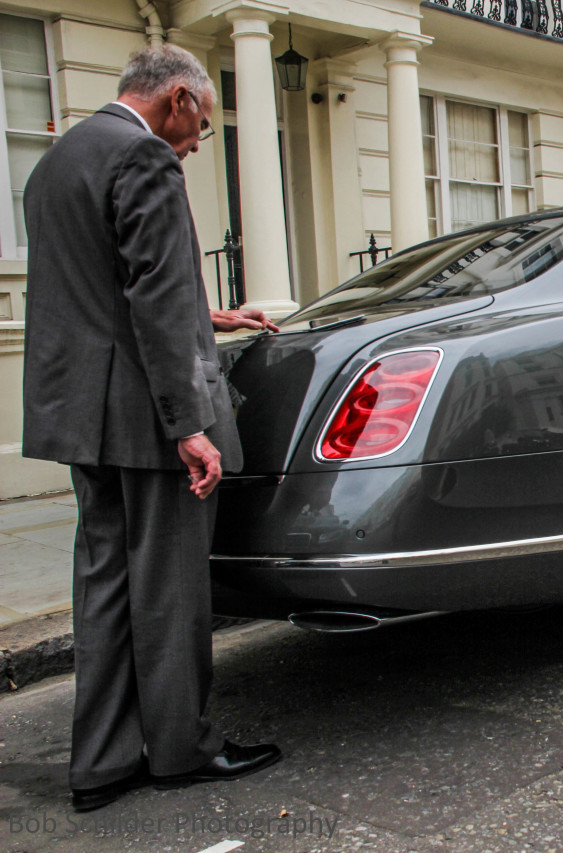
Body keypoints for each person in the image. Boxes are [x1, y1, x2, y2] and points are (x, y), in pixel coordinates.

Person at [22, 44, 282, 813]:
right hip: (147, 416)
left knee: (103, 585)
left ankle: (100, 763)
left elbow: (102, 285)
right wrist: (190, 425)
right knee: (169, 588)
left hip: (80, 416)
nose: (198, 142)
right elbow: (155, 298)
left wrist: (217, 313)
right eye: (200, 123)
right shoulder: (145, 158)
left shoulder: (59, 158)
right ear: (175, 99)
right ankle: (180, 749)